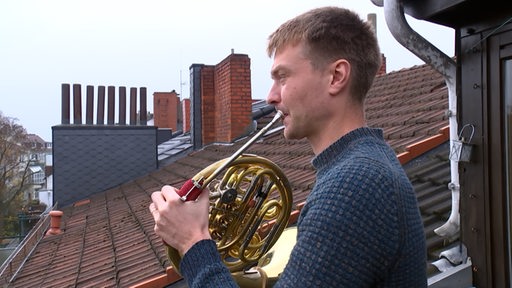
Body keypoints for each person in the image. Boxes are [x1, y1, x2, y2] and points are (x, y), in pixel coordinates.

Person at [150, 6, 427, 287]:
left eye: (282, 77)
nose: (270, 97)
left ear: (336, 76)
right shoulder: (363, 166)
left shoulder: (354, 185)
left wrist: (193, 241)